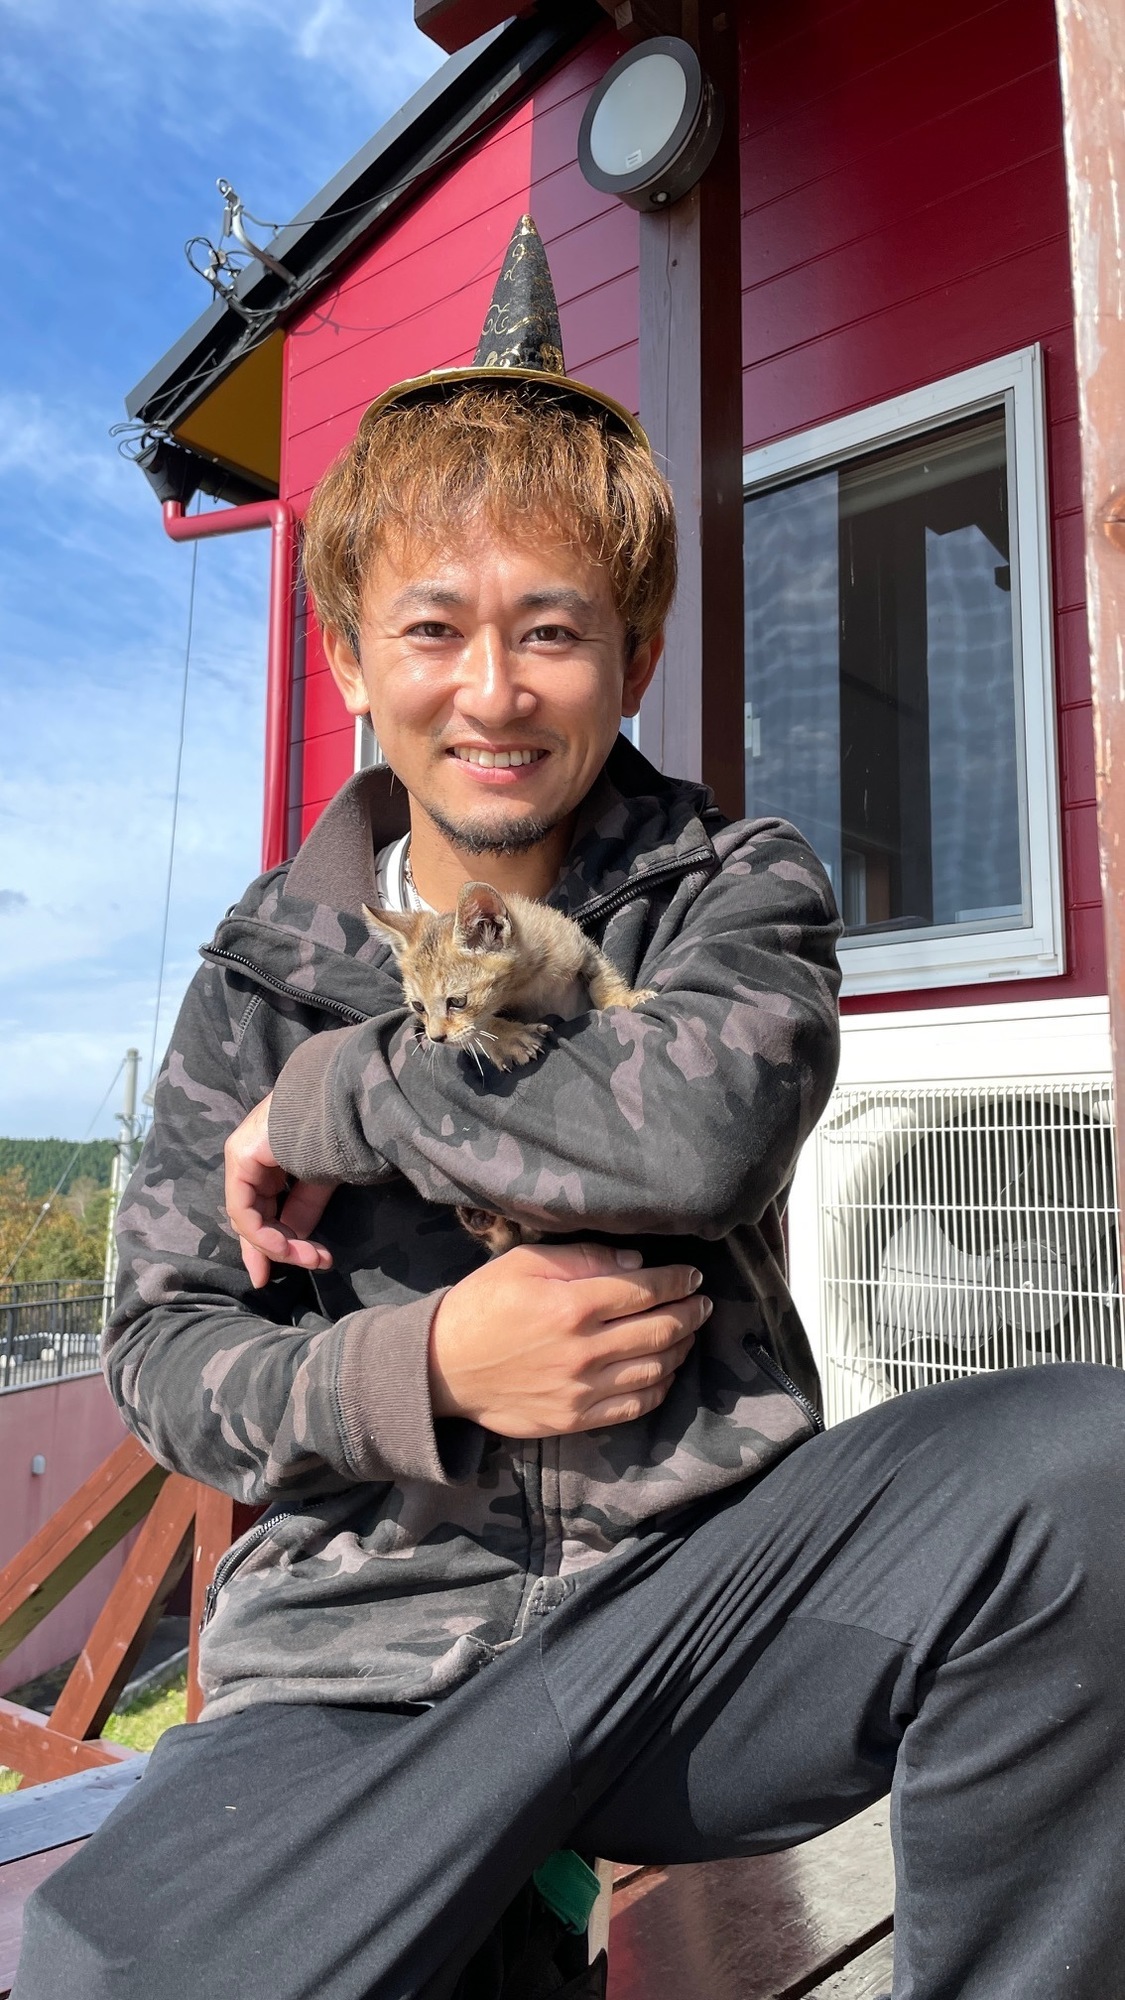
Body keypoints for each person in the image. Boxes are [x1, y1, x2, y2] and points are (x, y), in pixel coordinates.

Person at [16, 217, 1125, 2000]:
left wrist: (352, 1084)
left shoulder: (731, 886)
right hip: (362, 1658)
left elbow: (692, 1132)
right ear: (347, 661)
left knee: (1089, 1478)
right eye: (435, 629)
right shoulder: (257, 970)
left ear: (634, 651)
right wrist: (427, 1368)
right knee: (100, 1968)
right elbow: (161, 1354)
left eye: (553, 630)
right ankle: (491, 1901)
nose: (494, 688)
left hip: (706, 1616)